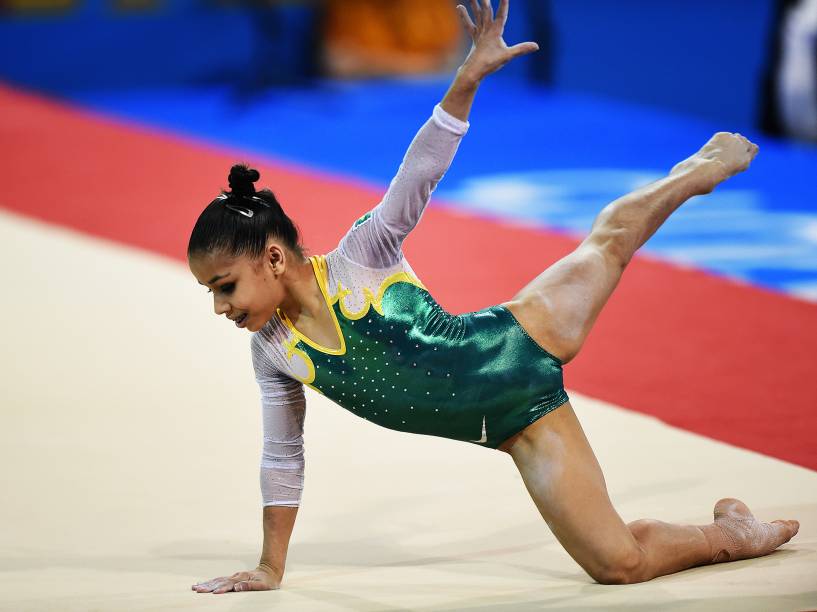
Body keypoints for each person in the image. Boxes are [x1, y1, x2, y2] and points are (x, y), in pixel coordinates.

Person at [188, 0, 799, 594]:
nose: (221, 307)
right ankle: (734, 535)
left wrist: (465, 82)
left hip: (518, 338)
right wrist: (271, 567)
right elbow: (283, 456)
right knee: (620, 565)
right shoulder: (274, 352)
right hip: (517, 422)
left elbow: (417, 175)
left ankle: (693, 173)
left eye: (225, 286)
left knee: (608, 243)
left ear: (272, 257)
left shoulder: (360, 258)